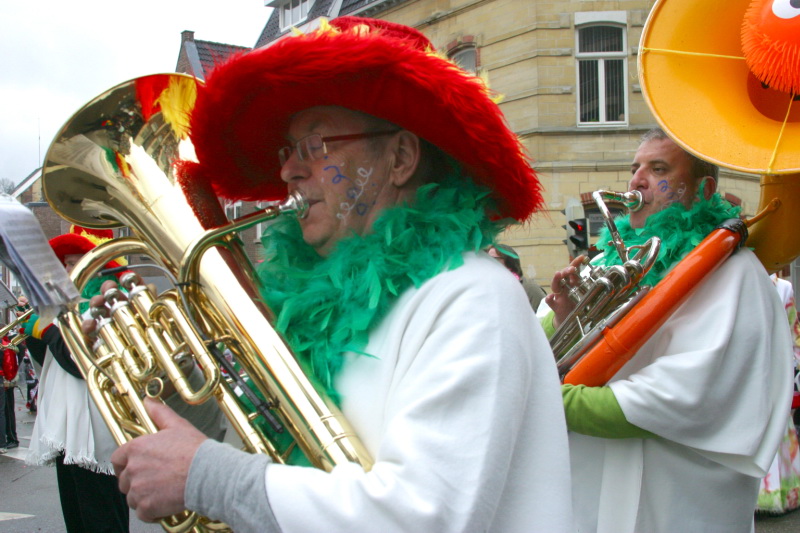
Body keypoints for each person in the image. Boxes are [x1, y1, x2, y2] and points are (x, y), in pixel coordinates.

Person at [107, 16, 573, 533]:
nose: (287, 171)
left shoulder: (474, 296)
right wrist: (180, 389)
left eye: (315, 145)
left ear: (400, 158)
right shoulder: (314, 305)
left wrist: (210, 477)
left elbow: (424, 517)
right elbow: (267, 456)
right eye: (288, 150)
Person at [545, 128, 793, 532]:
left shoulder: (734, 272)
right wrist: (564, 317)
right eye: (635, 168)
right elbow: (539, 342)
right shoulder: (612, 258)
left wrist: (553, 399)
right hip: (593, 492)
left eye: (658, 169)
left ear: (703, 188)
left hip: (676, 498)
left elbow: (689, 391)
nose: (637, 180)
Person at [21, 227, 226, 533]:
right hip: (68, 431)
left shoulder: (108, 307)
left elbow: (82, 365)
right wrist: (36, 329)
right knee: (76, 519)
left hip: (97, 433)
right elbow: (46, 362)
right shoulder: (65, 309)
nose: (66, 271)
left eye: (73, 262)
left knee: (102, 521)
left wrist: (49, 328)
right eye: (64, 264)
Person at [487, 243, 547, 310]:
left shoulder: (529, 288)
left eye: (494, 259)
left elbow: (544, 314)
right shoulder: (487, 289)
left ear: (509, 261)